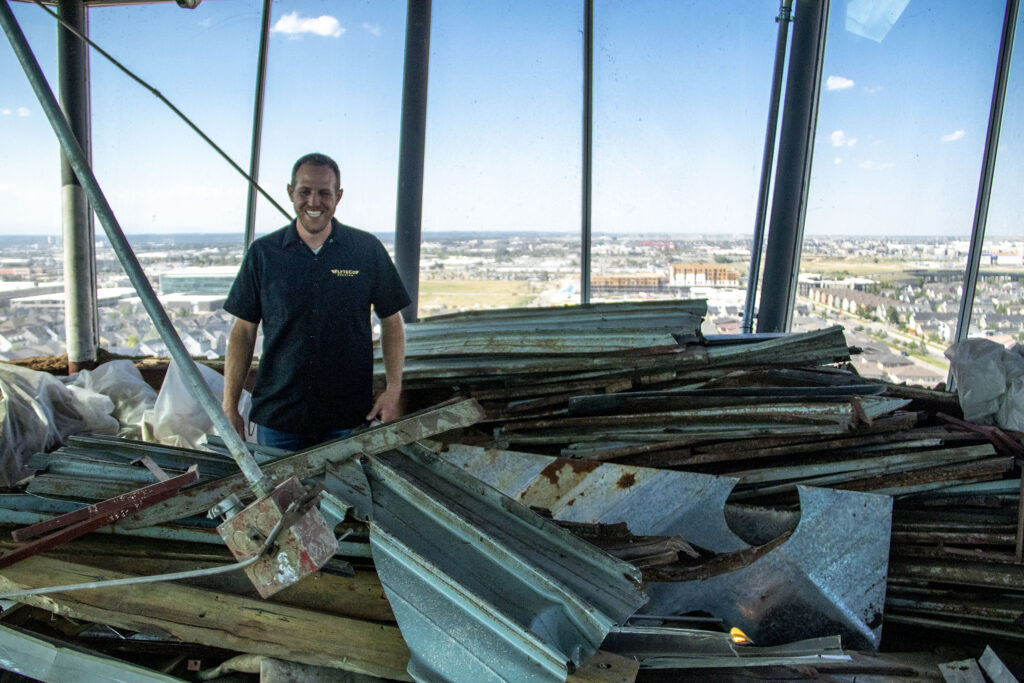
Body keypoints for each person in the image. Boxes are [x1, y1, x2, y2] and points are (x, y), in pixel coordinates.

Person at [221, 153, 410, 451]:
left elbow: (392, 321)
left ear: (339, 196)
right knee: (281, 497)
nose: (314, 202)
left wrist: (393, 390)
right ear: (290, 193)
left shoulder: (365, 250)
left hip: (346, 418)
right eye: (304, 192)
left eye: (324, 193)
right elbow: (243, 332)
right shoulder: (264, 254)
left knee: (346, 497)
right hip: (278, 419)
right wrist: (230, 405)